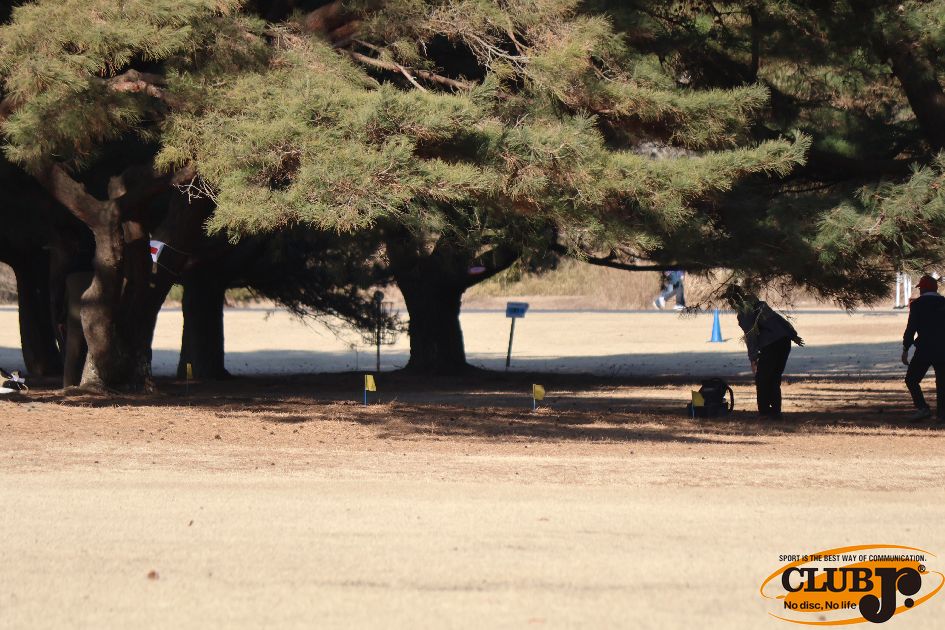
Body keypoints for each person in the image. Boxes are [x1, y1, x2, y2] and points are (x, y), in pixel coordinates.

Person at [726, 286, 805, 419]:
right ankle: (775, 412)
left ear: (734, 301)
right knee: (774, 378)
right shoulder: (760, 305)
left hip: (771, 345)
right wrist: (793, 335)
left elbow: (751, 336)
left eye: (729, 300)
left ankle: (764, 412)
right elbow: (779, 320)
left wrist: (753, 358)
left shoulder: (745, 313)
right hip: (784, 342)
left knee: (762, 379)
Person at [901, 274, 945, 423]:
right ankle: (942, 414)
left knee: (911, 379)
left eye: (920, 288)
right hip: (943, 349)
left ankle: (922, 408)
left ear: (923, 289)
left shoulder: (917, 305)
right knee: (942, 382)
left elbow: (911, 329)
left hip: (925, 349)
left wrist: (905, 348)